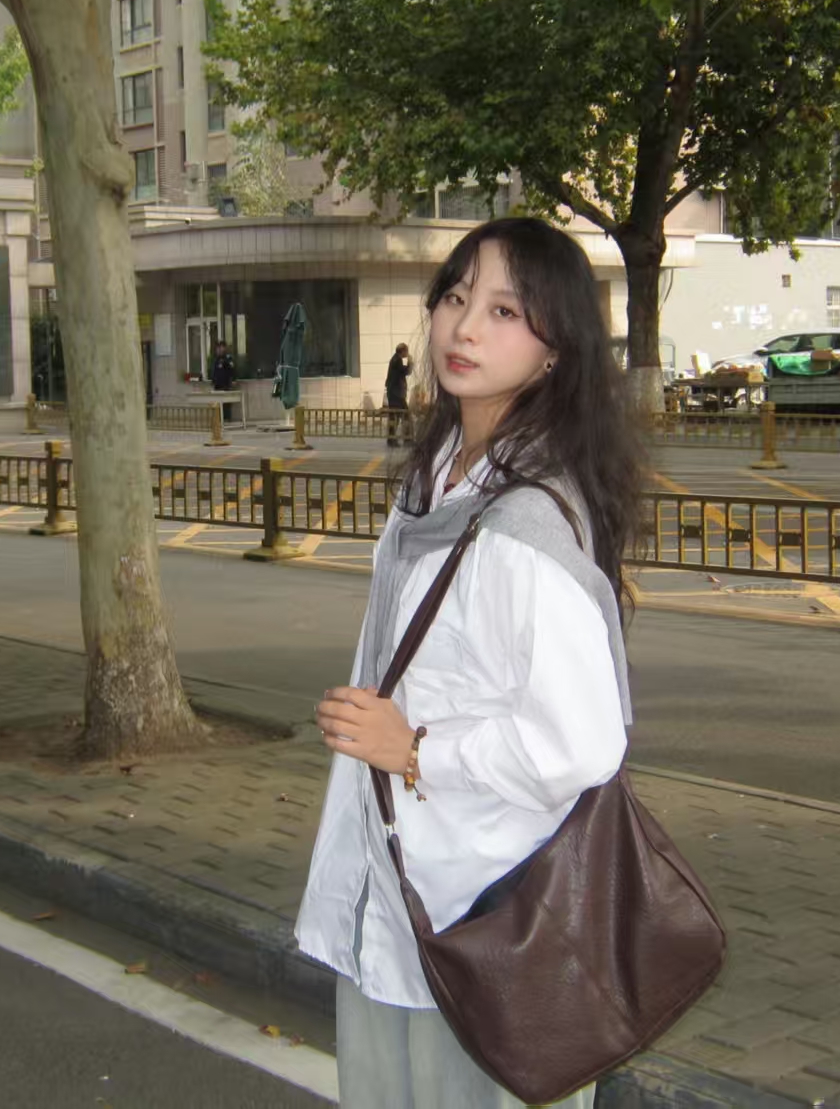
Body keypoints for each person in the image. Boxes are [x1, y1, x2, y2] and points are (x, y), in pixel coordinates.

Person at [296, 217, 643, 1109]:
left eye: (504, 311)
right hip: (400, 891)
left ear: (556, 350)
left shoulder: (527, 521)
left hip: (492, 918)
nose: (464, 327)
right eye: (455, 297)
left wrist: (415, 749)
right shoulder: (436, 481)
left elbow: (581, 745)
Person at [384, 342, 413, 447]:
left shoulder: (395, 359)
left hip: (394, 393)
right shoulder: (397, 360)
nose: (407, 353)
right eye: (406, 351)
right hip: (397, 394)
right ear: (403, 351)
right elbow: (406, 371)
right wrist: (410, 362)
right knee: (405, 416)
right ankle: (406, 439)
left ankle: (392, 439)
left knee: (394, 417)